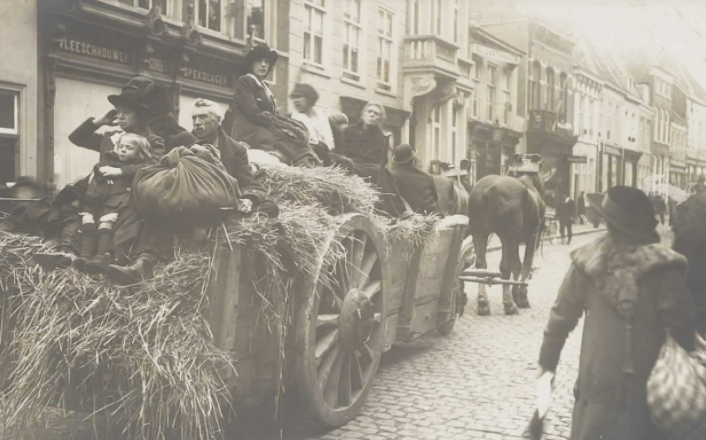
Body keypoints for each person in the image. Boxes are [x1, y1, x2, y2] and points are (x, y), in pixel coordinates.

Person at [536, 186, 695, 440]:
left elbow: (559, 321)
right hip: (646, 395)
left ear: (608, 223)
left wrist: (547, 366)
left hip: (595, 388)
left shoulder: (586, 262)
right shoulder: (665, 269)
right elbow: (684, 328)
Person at [35, 134, 153, 273]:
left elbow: (147, 167)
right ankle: (82, 257)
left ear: (139, 152)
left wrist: (119, 171)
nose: (123, 150)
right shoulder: (105, 162)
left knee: (105, 224)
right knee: (87, 222)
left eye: (129, 148)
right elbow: (92, 185)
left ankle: (99, 257)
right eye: (121, 147)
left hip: (117, 205)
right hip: (96, 201)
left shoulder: (138, 168)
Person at [223, 44, 320, 167]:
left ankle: (314, 166)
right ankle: (306, 168)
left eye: (266, 62)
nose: (263, 65)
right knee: (287, 141)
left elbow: (273, 113)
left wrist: (289, 126)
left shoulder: (265, 87)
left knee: (296, 138)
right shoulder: (245, 81)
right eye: (258, 61)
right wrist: (278, 126)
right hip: (249, 131)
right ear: (251, 64)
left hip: (263, 128)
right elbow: (253, 112)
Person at [189, 98, 279, 218]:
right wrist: (188, 154)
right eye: (194, 118)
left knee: (270, 207)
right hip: (197, 201)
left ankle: (221, 220)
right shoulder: (186, 145)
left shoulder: (236, 150)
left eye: (203, 117)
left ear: (218, 120)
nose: (197, 122)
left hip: (225, 203)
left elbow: (246, 182)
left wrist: (248, 200)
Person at [339, 102, 410, 218]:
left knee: (386, 173)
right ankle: (392, 211)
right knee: (377, 171)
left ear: (379, 119)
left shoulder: (380, 137)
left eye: (376, 114)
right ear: (363, 114)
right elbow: (342, 150)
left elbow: (382, 159)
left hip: (369, 165)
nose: (372, 115)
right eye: (369, 112)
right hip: (350, 163)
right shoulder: (349, 131)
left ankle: (396, 209)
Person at [389, 143, 441, 215]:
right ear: (413, 159)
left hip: (407, 218)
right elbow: (435, 199)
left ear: (397, 163)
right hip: (431, 216)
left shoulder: (392, 176)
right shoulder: (427, 176)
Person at [289, 83, 335, 166]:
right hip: (306, 158)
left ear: (309, 98)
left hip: (327, 158)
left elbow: (333, 145)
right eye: (293, 98)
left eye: (299, 97)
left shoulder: (324, 118)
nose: (295, 101)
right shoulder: (291, 119)